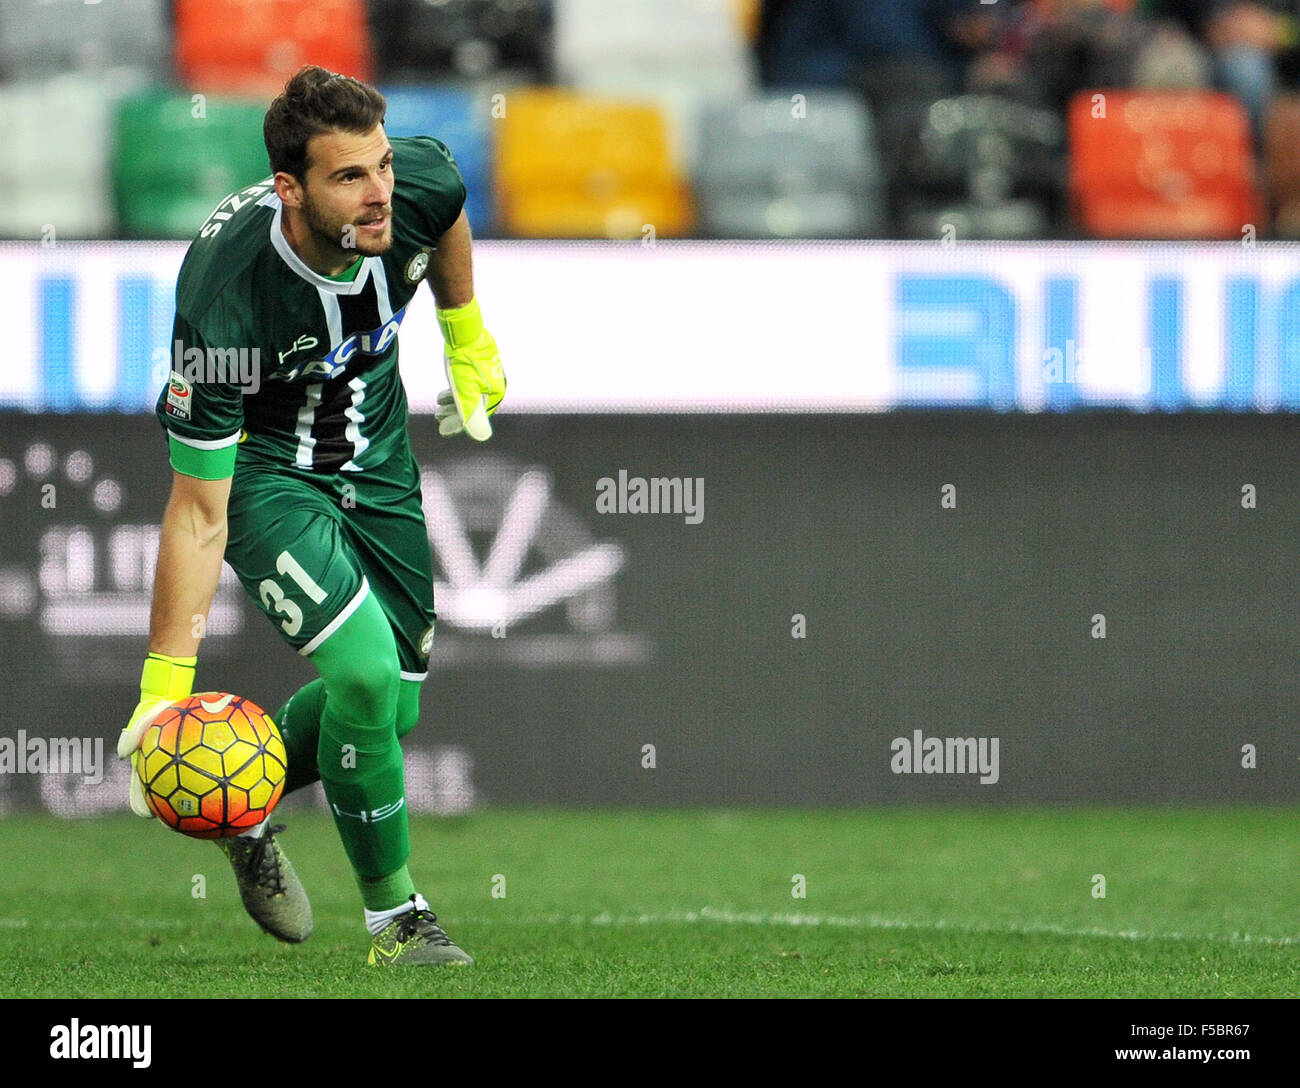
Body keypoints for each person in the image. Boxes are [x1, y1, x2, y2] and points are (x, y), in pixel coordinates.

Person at [115, 66, 505, 966]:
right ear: (289, 188)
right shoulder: (226, 303)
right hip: (266, 474)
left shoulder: (418, 183)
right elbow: (198, 515)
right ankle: (398, 922)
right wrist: (166, 683)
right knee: (364, 678)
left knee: (391, 712)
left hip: (378, 458)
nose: (379, 196)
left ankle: (237, 798)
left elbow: (441, 210)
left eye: (380, 168)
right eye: (348, 178)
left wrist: (466, 331)